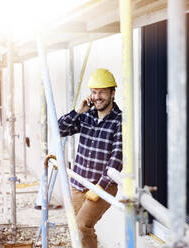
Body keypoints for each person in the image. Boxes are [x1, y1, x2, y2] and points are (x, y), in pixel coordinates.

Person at [58, 68, 122, 248]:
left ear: (112, 93)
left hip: (103, 185)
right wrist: (77, 111)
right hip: (79, 183)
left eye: (102, 92)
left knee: (81, 226)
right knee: (78, 231)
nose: (97, 96)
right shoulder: (86, 115)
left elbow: (116, 160)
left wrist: (99, 187)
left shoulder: (119, 121)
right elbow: (59, 130)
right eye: (94, 92)